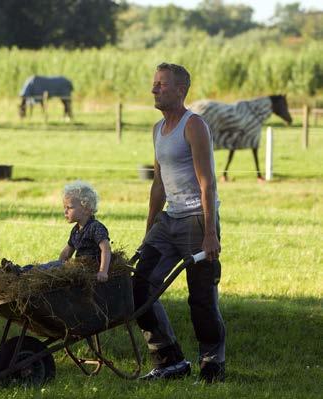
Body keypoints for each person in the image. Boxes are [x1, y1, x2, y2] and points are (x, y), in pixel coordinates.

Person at [134, 63, 225, 383]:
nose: (154, 89)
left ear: (180, 90)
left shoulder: (194, 125)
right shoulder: (157, 130)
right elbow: (158, 183)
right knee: (139, 288)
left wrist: (210, 233)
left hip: (197, 222)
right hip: (168, 220)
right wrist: (149, 231)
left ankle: (212, 361)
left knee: (201, 296)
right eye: (154, 83)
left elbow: (207, 182)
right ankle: (169, 359)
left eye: (161, 84)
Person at [2, 180, 111, 282]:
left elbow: (105, 249)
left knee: (51, 267)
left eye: (69, 207)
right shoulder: (76, 230)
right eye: (64, 207)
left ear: (86, 209)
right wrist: (60, 265)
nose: (65, 211)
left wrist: (103, 271)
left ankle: (23, 273)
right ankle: (21, 270)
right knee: (49, 265)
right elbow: (67, 252)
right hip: (78, 267)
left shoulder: (95, 227)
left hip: (88, 268)